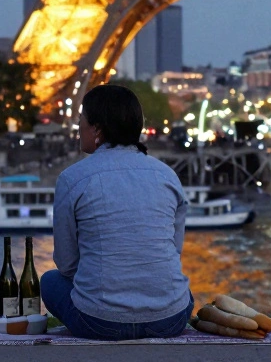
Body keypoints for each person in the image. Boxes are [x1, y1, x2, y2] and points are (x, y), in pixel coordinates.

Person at [43, 84, 193, 340]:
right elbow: (173, 250)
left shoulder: (72, 178)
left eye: (81, 120)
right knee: (182, 292)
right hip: (169, 319)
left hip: (99, 322)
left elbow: (66, 265)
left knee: (49, 280)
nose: (78, 126)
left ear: (97, 128)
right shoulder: (167, 175)